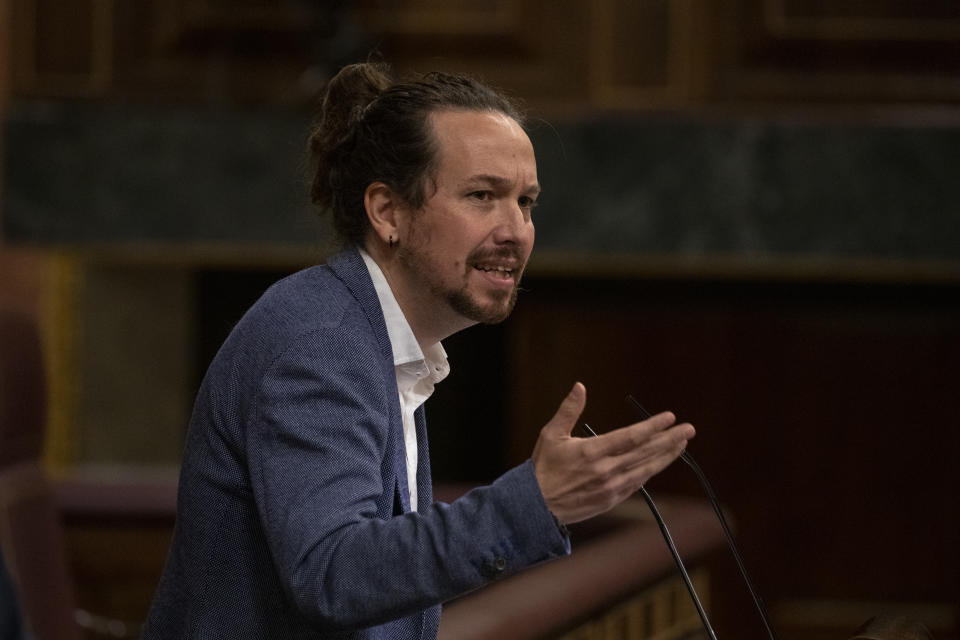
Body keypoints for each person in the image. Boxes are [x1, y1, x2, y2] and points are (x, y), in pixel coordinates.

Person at [143, 62, 695, 639]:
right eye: (483, 195)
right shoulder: (320, 343)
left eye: (526, 202)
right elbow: (332, 573)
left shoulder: (377, 337)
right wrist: (534, 503)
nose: (516, 230)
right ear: (388, 212)